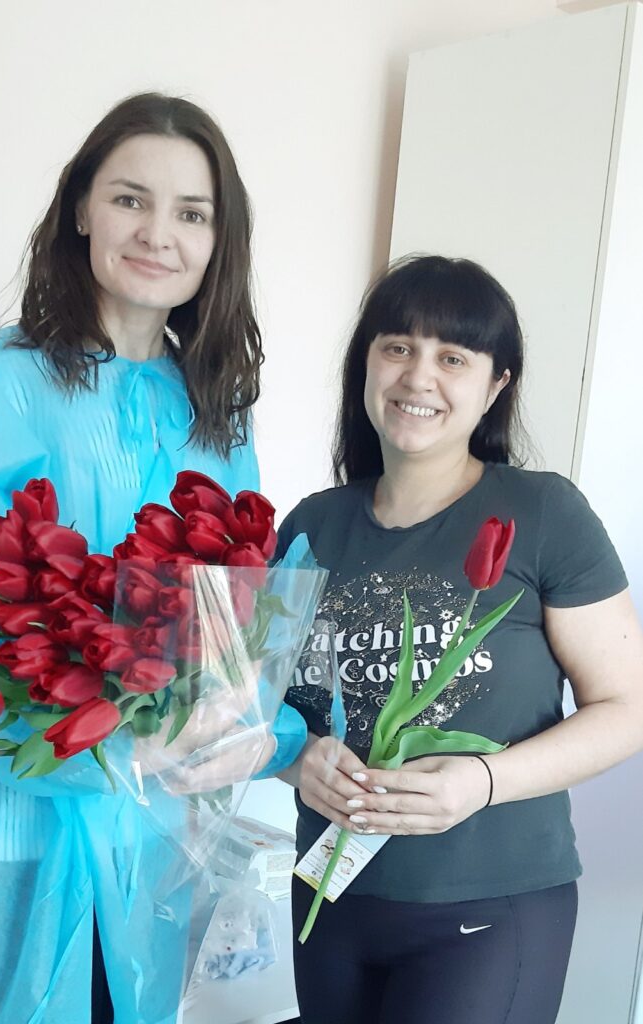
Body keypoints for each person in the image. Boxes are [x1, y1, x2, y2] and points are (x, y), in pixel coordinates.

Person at [0, 92, 304, 1024]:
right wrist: (110, 744)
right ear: (80, 209)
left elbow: (232, 614)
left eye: (192, 214)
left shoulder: (214, 414)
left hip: (153, 840)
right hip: (11, 825)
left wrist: (233, 719)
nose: (158, 234)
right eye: (129, 199)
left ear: (219, 242)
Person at [275, 255, 643, 1024]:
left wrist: (480, 782)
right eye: (397, 347)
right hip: (329, 894)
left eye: (452, 357)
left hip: (489, 909)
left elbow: (625, 708)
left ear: (495, 384)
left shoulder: (542, 514)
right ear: (366, 363)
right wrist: (295, 762)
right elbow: (258, 708)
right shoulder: (311, 525)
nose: (417, 376)